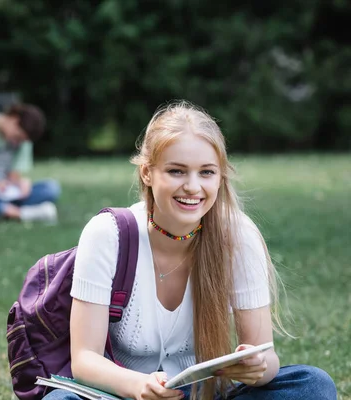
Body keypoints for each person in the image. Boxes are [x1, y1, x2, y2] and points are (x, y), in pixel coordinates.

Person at [43, 101, 337, 400]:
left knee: (313, 384)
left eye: (206, 172)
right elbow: (85, 361)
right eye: (176, 171)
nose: (193, 187)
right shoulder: (108, 233)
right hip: (124, 394)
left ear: (220, 176)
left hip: (204, 394)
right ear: (147, 172)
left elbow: (266, 356)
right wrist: (139, 387)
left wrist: (258, 367)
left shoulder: (238, 235)